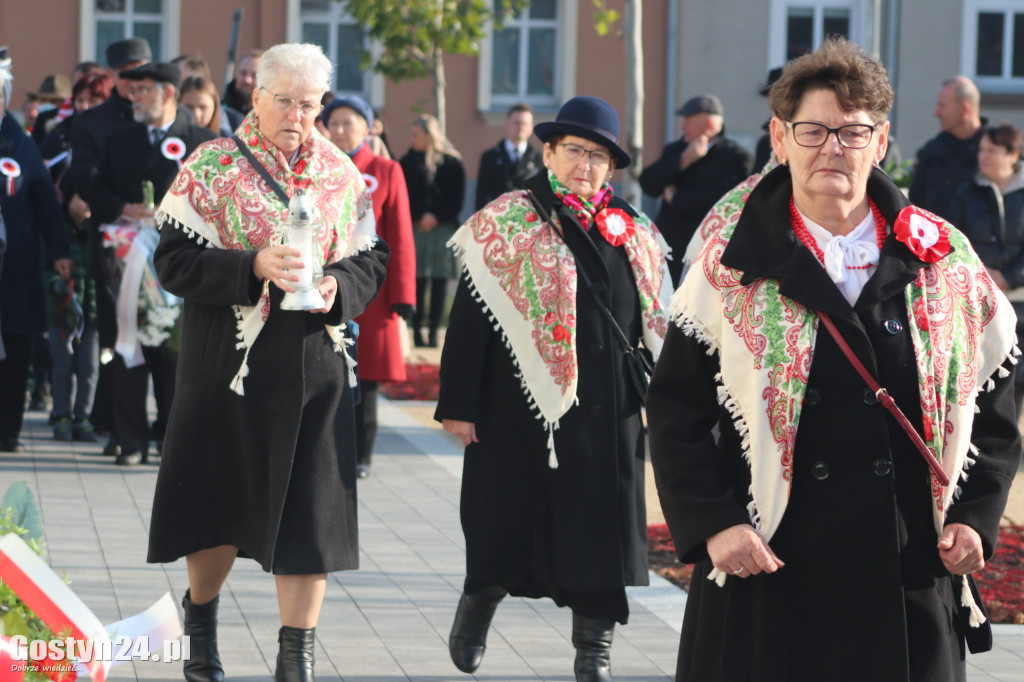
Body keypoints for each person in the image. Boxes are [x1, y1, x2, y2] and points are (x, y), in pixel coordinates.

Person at [646, 38, 1022, 682]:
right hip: (767, 567)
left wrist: (974, 517)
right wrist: (716, 524)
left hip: (904, 575)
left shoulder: (943, 258)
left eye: (852, 132)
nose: (832, 148)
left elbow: (997, 400)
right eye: (813, 130)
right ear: (780, 137)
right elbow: (676, 408)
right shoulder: (728, 265)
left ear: (880, 143)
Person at [147, 43, 389, 682]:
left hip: (314, 370)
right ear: (255, 95)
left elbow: (372, 260)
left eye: (310, 104)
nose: (297, 115)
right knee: (218, 508)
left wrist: (340, 285)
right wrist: (249, 265)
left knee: (311, 519)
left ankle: (296, 660)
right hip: (226, 368)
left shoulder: (341, 172)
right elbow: (170, 262)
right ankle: (200, 629)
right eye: (284, 101)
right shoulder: (213, 163)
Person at [437, 95, 671, 682]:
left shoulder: (636, 231)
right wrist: (459, 405)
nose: (585, 165)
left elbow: (663, 318)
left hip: (607, 408)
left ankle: (594, 651)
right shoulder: (508, 219)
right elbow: (469, 319)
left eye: (598, 156)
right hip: (516, 405)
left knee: (603, 530)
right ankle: (479, 602)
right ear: (548, 153)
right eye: (574, 151)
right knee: (504, 517)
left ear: (612, 168)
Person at [90, 62, 218, 466]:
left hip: (180, 264)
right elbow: (95, 186)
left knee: (175, 352)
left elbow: (218, 199)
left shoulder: (203, 141)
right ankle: (130, 441)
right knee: (128, 346)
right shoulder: (119, 138)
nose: (135, 96)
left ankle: (170, 436)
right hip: (127, 261)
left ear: (167, 94)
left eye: (144, 90)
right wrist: (122, 208)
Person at [323, 95, 416, 479]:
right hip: (328, 284)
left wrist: (404, 295)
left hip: (372, 293)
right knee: (329, 373)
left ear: (368, 126)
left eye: (350, 123)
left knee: (367, 380)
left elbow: (401, 235)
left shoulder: (386, 169)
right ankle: (329, 449)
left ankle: (362, 453)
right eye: (335, 123)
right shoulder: (320, 168)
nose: (341, 131)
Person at [71, 37, 152, 452]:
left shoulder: (160, 120)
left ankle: (148, 426)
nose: (135, 82)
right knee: (116, 337)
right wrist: (124, 207)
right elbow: (82, 176)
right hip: (112, 246)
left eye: (143, 72)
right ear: (112, 76)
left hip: (159, 248)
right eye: (127, 74)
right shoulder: (92, 122)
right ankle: (118, 426)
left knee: (160, 336)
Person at [0, 54, 73, 452]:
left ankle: (8, 430)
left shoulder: (21, 145)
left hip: (15, 269)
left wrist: (59, 251)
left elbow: (46, 203)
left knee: (15, 348)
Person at [40, 71, 114, 443]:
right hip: (63, 294)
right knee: (61, 356)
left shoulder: (112, 139)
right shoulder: (58, 136)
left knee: (90, 363)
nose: (85, 108)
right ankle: (60, 415)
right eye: (80, 100)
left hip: (96, 295)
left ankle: (84, 416)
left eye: (93, 101)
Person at [947, 121, 1024, 412]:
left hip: (1020, 299)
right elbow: (952, 239)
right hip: (978, 301)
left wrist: (1009, 277)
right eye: (981, 149)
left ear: (1013, 155)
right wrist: (978, 275)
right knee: (985, 371)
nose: (983, 156)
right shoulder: (967, 191)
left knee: (1016, 377)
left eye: (992, 150)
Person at [639, 93, 752, 285]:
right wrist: (683, 161)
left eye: (688, 121)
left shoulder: (737, 157)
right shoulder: (677, 150)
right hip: (670, 249)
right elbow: (648, 182)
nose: (683, 126)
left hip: (709, 253)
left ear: (708, 123)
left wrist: (676, 199)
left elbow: (721, 202)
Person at [399, 113, 464, 347]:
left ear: (429, 135)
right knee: (416, 281)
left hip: (442, 230)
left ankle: (435, 332)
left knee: (439, 282)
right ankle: (416, 331)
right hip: (416, 230)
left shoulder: (452, 163)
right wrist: (420, 215)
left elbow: (456, 199)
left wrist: (435, 215)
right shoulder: (406, 162)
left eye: (416, 134)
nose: (412, 138)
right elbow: (403, 195)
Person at [909, 76, 986, 221]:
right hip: (935, 241)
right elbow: (914, 207)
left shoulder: (992, 151)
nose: (936, 113)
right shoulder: (931, 151)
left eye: (942, 106)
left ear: (964, 109)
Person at [474, 102, 542, 209]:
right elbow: (482, 195)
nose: (520, 127)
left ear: (531, 128)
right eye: (516, 123)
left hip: (528, 220)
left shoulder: (539, 159)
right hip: (497, 218)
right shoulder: (490, 157)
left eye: (524, 123)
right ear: (507, 125)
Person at [221, 48, 262, 130]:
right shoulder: (221, 112)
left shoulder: (269, 117)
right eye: (243, 73)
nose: (247, 80)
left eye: (254, 75)